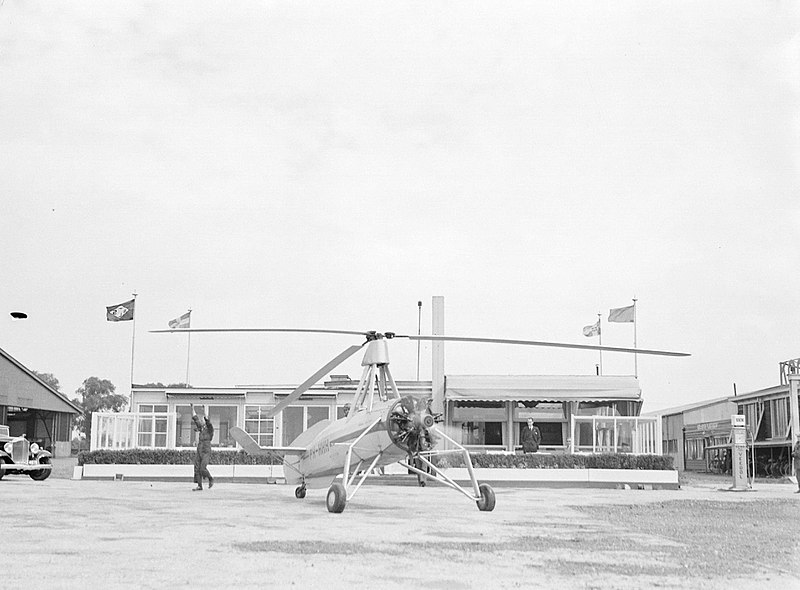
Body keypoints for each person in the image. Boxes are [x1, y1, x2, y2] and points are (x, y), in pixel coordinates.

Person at [191, 404, 214, 491]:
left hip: (206, 449)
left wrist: (204, 410)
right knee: (197, 467)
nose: (201, 420)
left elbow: (207, 420)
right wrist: (192, 408)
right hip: (199, 449)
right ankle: (199, 485)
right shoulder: (201, 428)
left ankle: (210, 478)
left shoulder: (210, 429)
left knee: (202, 468)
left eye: (202, 419)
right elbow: (195, 418)